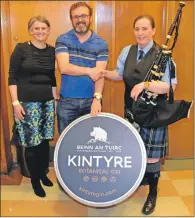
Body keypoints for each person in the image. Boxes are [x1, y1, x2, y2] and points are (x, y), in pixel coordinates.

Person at [100, 15, 177, 215]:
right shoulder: (128, 51)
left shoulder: (163, 55)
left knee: (152, 157)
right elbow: (120, 74)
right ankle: (141, 178)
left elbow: (169, 87)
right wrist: (104, 73)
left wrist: (146, 84)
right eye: (137, 29)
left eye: (144, 29)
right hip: (132, 110)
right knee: (135, 149)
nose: (140, 33)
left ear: (153, 31)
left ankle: (153, 192)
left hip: (153, 112)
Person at [8, 16, 57, 198]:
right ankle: (34, 179)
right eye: (36, 28)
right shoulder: (21, 49)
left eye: (44, 28)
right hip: (27, 104)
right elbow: (12, 77)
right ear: (30, 30)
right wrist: (15, 103)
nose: (40, 31)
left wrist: (54, 97)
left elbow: (52, 78)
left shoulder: (52, 51)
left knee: (44, 141)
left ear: (48, 30)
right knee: (31, 143)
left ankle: (43, 173)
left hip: (47, 103)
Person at [55, 1, 108, 135]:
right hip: (67, 102)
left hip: (91, 102)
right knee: (66, 142)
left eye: (83, 16)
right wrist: (90, 71)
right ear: (71, 20)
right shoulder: (63, 39)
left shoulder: (101, 43)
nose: (80, 20)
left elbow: (100, 74)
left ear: (90, 18)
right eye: (76, 17)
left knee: (88, 145)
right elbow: (64, 68)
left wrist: (97, 99)